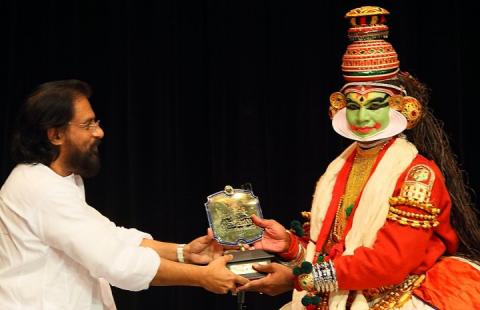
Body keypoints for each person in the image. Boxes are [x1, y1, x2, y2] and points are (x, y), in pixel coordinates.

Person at [238, 6, 480, 309]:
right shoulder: (341, 167)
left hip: (393, 297)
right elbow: (333, 249)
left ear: (402, 107)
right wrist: (290, 247)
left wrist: (301, 278)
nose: (362, 116)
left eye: (374, 104)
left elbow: (389, 263)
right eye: (353, 104)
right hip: (341, 294)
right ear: (339, 107)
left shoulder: (417, 175)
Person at [0, 79, 249, 309]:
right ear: (55, 135)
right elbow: (114, 261)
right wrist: (203, 277)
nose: (99, 132)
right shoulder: (40, 188)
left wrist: (183, 252)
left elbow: (110, 235)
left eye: (96, 122)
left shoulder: (58, 180)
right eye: (88, 124)